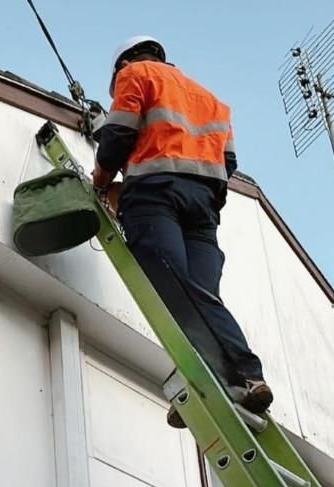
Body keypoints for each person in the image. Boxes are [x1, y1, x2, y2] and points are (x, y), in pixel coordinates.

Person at [92, 36, 273, 428]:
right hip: (203, 207)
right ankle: (223, 382)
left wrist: (103, 178)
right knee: (200, 293)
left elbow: (120, 133)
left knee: (171, 283)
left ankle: (241, 371)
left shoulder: (134, 74)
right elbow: (228, 163)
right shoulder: (212, 100)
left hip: (157, 196)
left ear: (123, 62)